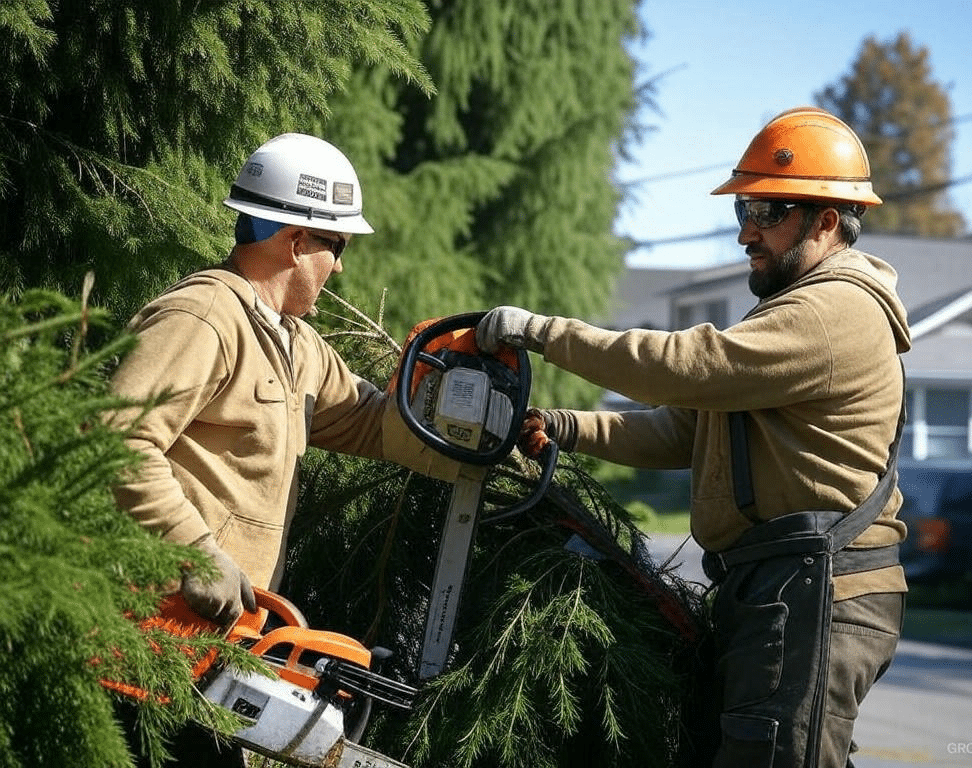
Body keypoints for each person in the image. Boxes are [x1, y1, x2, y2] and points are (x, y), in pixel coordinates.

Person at [475, 107, 910, 768]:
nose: (746, 233)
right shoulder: (793, 308)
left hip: (813, 590)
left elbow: (682, 366)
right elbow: (686, 431)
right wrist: (563, 428)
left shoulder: (833, 312)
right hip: (781, 588)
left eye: (767, 211)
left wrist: (538, 330)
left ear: (827, 221)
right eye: (743, 212)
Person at [109, 132, 455, 765]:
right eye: (338, 246)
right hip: (148, 644)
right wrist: (196, 551)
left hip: (214, 650)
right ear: (298, 242)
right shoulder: (205, 317)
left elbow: (371, 423)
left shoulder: (295, 343)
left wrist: (451, 408)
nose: (341, 266)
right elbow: (117, 440)